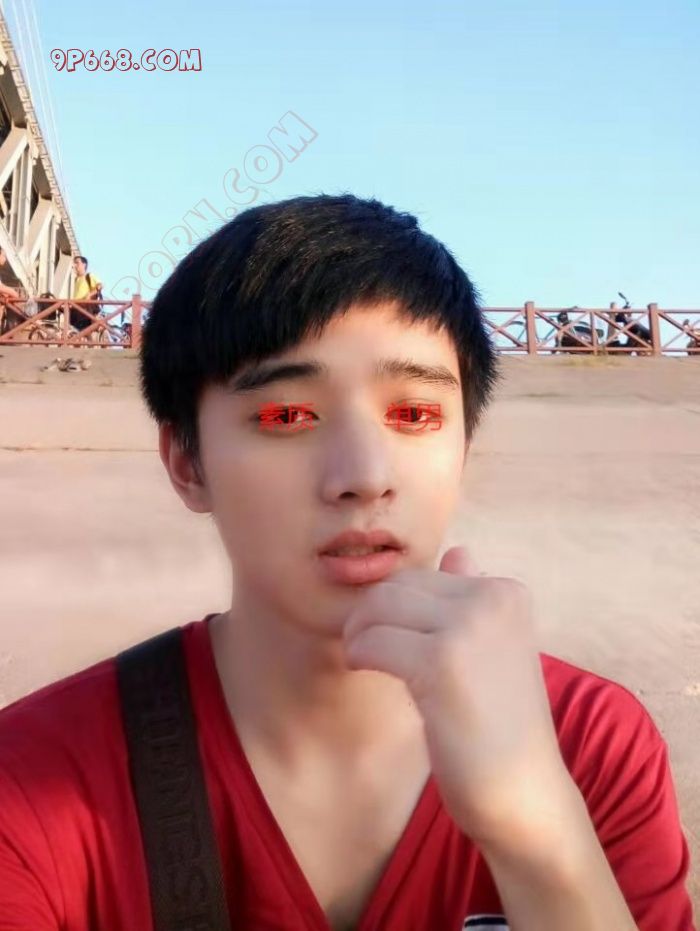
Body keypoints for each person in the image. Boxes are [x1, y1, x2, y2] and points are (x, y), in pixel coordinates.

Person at [0, 194, 695, 931]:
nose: (365, 475)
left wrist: (540, 836)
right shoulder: (35, 778)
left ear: (464, 447)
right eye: (286, 415)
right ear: (186, 463)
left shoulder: (591, 744)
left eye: (415, 414)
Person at [71, 254, 103, 331]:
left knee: (84, 331)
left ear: (84, 265)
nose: (75, 265)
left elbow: (100, 285)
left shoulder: (88, 276)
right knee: (77, 331)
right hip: (76, 310)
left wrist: (89, 295)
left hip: (85, 310)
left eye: (77, 263)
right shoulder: (76, 279)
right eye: (74, 263)